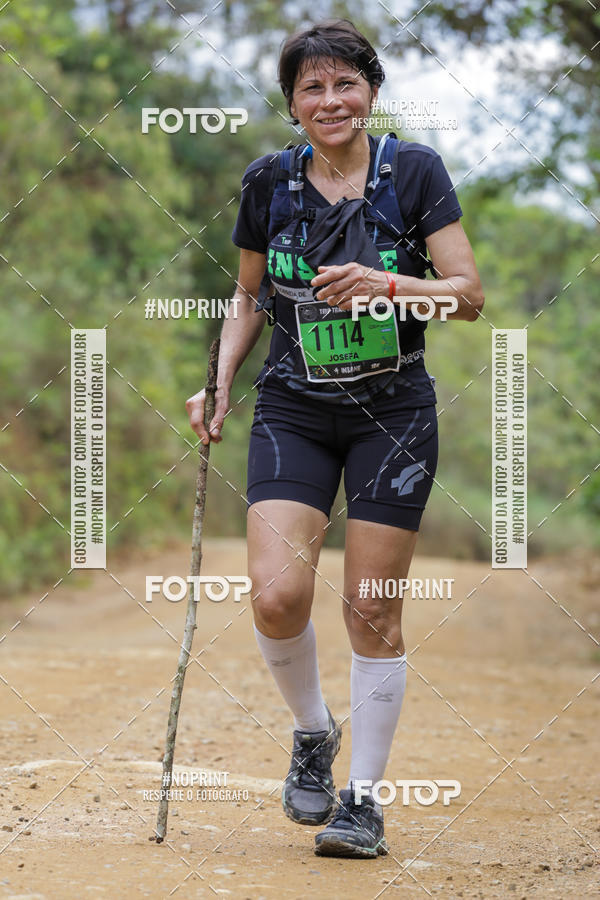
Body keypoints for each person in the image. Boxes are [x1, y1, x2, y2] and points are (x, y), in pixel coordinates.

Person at [186, 18, 484, 859]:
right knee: (277, 596)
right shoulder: (268, 183)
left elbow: (467, 296)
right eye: (311, 88)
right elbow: (248, 297)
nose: (330, 100)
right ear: (292, 103)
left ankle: (364, 803)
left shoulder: (414, 172)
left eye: (345, 83)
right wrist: (220, 380)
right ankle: (314, 731)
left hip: (394, 411)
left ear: (371, 91)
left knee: (371, 607)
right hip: (293, 406)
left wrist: (389, 284)